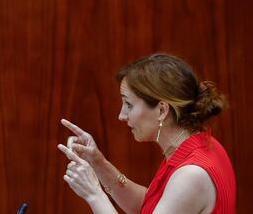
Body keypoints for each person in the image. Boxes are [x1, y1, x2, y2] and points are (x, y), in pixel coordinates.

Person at [58, 53, 236, 214]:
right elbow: (152, 206)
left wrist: (94, 194)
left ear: (161, 111)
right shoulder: (201, 143)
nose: (121, 116)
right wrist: (98, 162)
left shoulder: (191, 175)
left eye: (129, 105)